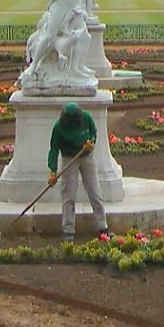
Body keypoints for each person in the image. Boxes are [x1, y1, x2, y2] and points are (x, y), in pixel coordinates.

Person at [45, 101, 107, 241]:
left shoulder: (86, 118)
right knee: (69, 196)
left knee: (95, 192)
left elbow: (93, 132)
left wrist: (91, 142)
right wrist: (53, 171)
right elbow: (54, 150)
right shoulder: (58, 127)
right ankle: (68, 230)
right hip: (69, 158)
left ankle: (102, 227)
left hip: (86, 156)